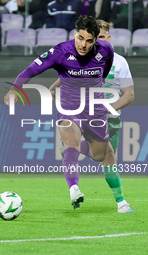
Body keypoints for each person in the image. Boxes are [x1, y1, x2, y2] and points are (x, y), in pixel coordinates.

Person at [4, 15, 114, 210]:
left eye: (89, 41)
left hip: (95, 109)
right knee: (71, 142)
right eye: (80, 38)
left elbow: (103, 73)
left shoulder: (106, 50)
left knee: (99, 155)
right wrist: (14, 90)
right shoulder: (60, 52)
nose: (83, 44)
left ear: (96, 40)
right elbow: (31, 70)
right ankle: (74, 190)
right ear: (75, 34)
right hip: (69, 106)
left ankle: (73, 150)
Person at [49, 19, 135, 213]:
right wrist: (54, 87)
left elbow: (129, 94)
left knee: (105, 158)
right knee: (87, 146)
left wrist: (108, 109)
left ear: (108, 38)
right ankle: (122, 203)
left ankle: (77, 149)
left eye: (100, 39)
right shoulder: (83, 57)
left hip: (108, 116)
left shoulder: (119, 62)